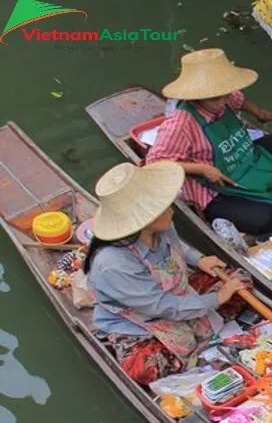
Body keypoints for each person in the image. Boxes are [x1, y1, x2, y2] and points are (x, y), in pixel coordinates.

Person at [85, 161, 248, 385]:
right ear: (146, 220)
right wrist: (218, 298)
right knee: (146, 368)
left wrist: (199, 260)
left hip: (175, 294)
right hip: (142, 319)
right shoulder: (114, 263)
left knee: (240, 280)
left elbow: (178, 247)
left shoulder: (161, 225)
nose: (171, 209)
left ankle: (204, 332)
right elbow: (161, 306)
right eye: (164, 207)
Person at [146, 48, 272, 236]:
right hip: (216, 187)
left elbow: (239, 100)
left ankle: (261, 185)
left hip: (242, 158)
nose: (223, 103)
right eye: (216, 99)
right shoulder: (180, 123)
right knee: (267, 218)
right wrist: (202, 169)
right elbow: (155, 162)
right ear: (197, 96)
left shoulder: (222, 94)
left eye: (226, 96)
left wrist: (258, 112)